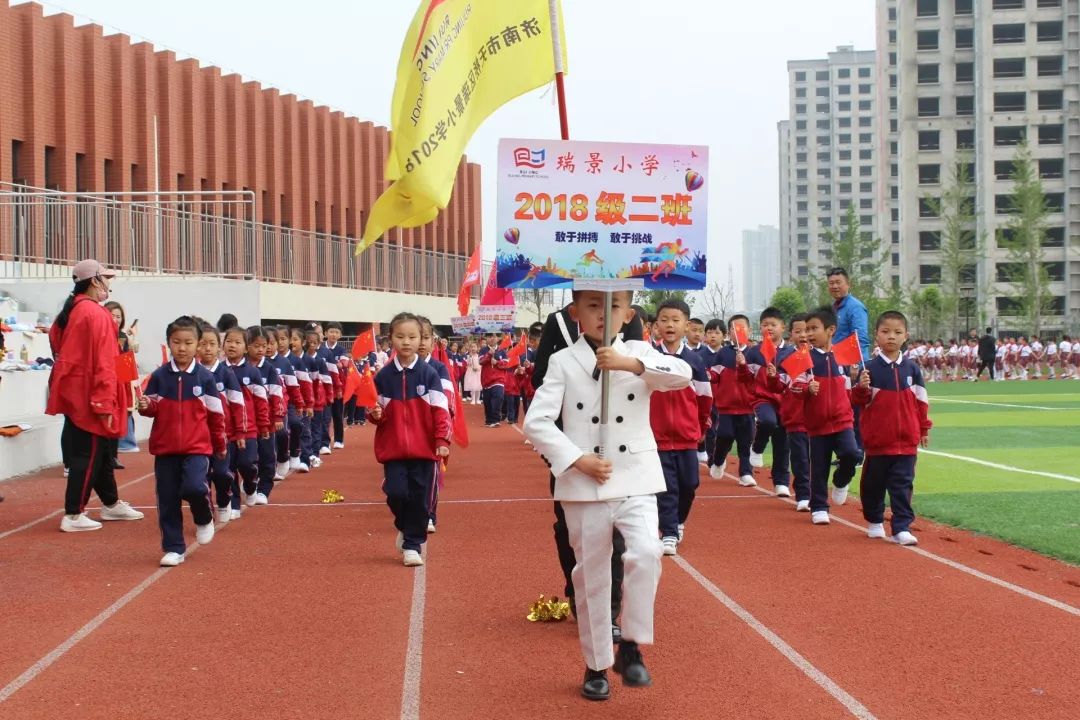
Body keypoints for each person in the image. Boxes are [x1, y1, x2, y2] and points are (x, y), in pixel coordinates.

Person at [523, 289, 691, 701]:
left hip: (635, 476)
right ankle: (596, 663)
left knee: (647, 551)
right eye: (593, 305)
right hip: (585, 483)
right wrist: (577, 459)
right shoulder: (562, 361)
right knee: (593, 576)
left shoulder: (640, 351)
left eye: (613, 306)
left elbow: (682, 374)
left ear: (628, 312)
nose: (604, 314)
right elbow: (537, 422)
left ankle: (631, 643)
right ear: (575, 312)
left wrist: (631, 363)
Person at [531, 300, 644, 642]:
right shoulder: (559, 322)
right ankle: (576, 586)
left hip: (618, 447)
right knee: (569, 526)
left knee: (616, 534)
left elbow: (644, 368)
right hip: (570, 442)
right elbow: (540, 377)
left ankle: (608, 612)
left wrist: (619, 365)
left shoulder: (629, 318)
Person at [47, 259, 145, 532]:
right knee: (88, 454)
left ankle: (111, 504)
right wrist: (105, 398)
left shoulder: (74, 313)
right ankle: (73, 513)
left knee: (101, 452)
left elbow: (60, 346)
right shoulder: (95, 315)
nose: (109, 284)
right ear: (94, 281)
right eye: (106, 279)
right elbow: (105, 360)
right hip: (94, 393)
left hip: (83, 390)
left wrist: (129, 389)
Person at [138, 317, 227, 566]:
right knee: (167, 499)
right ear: (169, 343)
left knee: (195, 487)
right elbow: (151, 406)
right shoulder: (159, 376)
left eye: (188, 342)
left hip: (197, 447)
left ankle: (203, 517)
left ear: (197, 344)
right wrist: (146, 406)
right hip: (166, 449)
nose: (182, 348)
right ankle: (174, 547)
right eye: (176, 342)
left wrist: (219, 445)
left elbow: (216, 415)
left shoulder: (205, 378)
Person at [368, 312, 451, 567]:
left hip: (424, 448)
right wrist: (375, 414)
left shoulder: (429, 374)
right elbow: (375, 411)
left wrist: (442, 440)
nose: (406, 342)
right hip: (393, 448)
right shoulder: (383, 377)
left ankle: (412, 545)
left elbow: (441, 409)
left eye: (412, 337)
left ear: (421, 340)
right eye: (400, 336)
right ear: (391, 338)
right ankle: (404, 526)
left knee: (420, 498)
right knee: (395, 492)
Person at [851, 311, 932, 546]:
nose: (891, 337)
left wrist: (924, 428)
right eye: (885, 332)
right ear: (876, 335)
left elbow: (921, 401)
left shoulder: (912, 369)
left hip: (906, 441)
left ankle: (901, 526)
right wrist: (861, 387)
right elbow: (857, 401)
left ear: (906, 336)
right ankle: (875, 521)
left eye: (897, 332)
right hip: (878, 442)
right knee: (873, 485)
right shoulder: (870, 369)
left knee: (902, 484)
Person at [649, 298, 711, 555]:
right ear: (656, 326)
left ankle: (678, 521)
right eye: (664, 320)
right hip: (658, 436)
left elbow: (705, 398)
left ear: (686, 325)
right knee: (667, 487)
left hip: (687, 436)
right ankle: (669, 532)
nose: (670, 325)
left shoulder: (694, 361)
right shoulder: (649, 357)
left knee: (689, 484)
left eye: (676, 320)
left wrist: (700, 429)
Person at [801, 306, 860, 526]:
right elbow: (794, 387)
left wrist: (858, 385)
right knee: (819, 467)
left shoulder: (843, 358)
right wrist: (807, 389)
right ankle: (818, 506)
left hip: (843, 419)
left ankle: (841, 479)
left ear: (831, 330)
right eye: (807, 329)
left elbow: (849, 391)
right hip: (817, 423)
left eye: (814, 328)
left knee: (852, 453)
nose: (808, 334)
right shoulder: (805, 358)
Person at [197, 321, 247, 523]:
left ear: (219, 347)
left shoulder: (226, 373)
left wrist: (241, 432)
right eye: (202, 344)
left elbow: (237, 403)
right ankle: (207, 511)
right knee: (202, 477)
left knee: (222, 473)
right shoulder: (194, 373)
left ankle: (226, 501)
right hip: (199, 436)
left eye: (211, 344)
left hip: (224, 435)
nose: (207, 349)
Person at [745, 307, 795, 496]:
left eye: (773, 325)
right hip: (762, 398)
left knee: (783, 442)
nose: (769, 328)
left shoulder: (791, 353)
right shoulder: (754, 352)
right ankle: (757, 447)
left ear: (783, 327)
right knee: (767, 421)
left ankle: (781, 482)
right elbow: (745, 377)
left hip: (785, 402)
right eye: (765, 325)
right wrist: (741, 366)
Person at [707, 314, 756, 487]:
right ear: (729, 333)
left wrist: (743, 365)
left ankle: (746, 473)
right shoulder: (723, 353)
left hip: (747, 407)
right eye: (734, 329)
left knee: (745, 442)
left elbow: (755, 379)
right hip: (726, 407)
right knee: (724, 436)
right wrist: (708, 375)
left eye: (742, 328)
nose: (738, 332)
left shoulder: (753, 353)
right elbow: (715, 373)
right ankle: (718, 460)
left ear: (749, 331)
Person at [223, 326, 267, 513]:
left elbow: (261, 401)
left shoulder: (252, 372)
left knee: (247, 463)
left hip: (248, 428)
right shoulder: (217, 371)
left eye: (237, 342)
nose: (232, 345)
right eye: (229, 341)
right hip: (226, 430)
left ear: (246, 347)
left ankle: (251, 485)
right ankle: (233, 505)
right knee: (229, 468)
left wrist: (264, 424)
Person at [772, 313, 812, 511]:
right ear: (791, 334)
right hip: (795, 417)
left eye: (809, 330)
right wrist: (773, 378)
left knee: (816, 460)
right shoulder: (787, 358)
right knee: (800, 458)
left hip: (819, 420)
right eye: (799, 331)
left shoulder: (823, 356)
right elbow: (779, 386)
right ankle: (803, 494)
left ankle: (818, 493)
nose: (804, 335)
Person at [251, 326, 285, 504]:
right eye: (256, 345)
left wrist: (278, 417)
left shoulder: (269, 369)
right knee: (247, 459)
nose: (261, 350)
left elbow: (277, 394)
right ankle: (250, 483)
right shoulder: (239, 369)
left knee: (266, 456)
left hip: (267, 422)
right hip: (246, 424)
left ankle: (264, 489)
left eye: (263, 346)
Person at [105, 301, 140, 458]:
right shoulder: (104, 333)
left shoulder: (123, 335)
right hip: (109, 376)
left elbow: (132, 351)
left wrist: (132, 336)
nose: (116, 319)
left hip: (123, 375)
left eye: (118, 316)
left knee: (127, 409)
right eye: (112, 315)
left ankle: (124, 444)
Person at [322, 321, 347, 449]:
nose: (333, 334)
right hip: (324, 388)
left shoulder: (341, 349)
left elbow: (344, 362)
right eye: (331, 331)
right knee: (325, 416)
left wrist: (341, 364)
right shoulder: (321, 348)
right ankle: (324, 442)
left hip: (338, 387)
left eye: (336, 332)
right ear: (325, 333)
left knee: (337, 414)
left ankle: (339, 440)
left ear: (340, 335)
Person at [478, 333, 509, 427]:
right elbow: (480, 361)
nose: (492, 338)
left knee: (498, 397)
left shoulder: (502, 350)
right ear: (487, 338)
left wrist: (497, 362)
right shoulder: (483, 350)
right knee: (487, 401)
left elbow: (507, 364)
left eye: (494, 336)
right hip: (486, 380)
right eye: (490, 336)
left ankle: (496, 419)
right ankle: (489, 420)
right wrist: (489, 354)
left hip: (499, 379)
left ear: (498, 338)